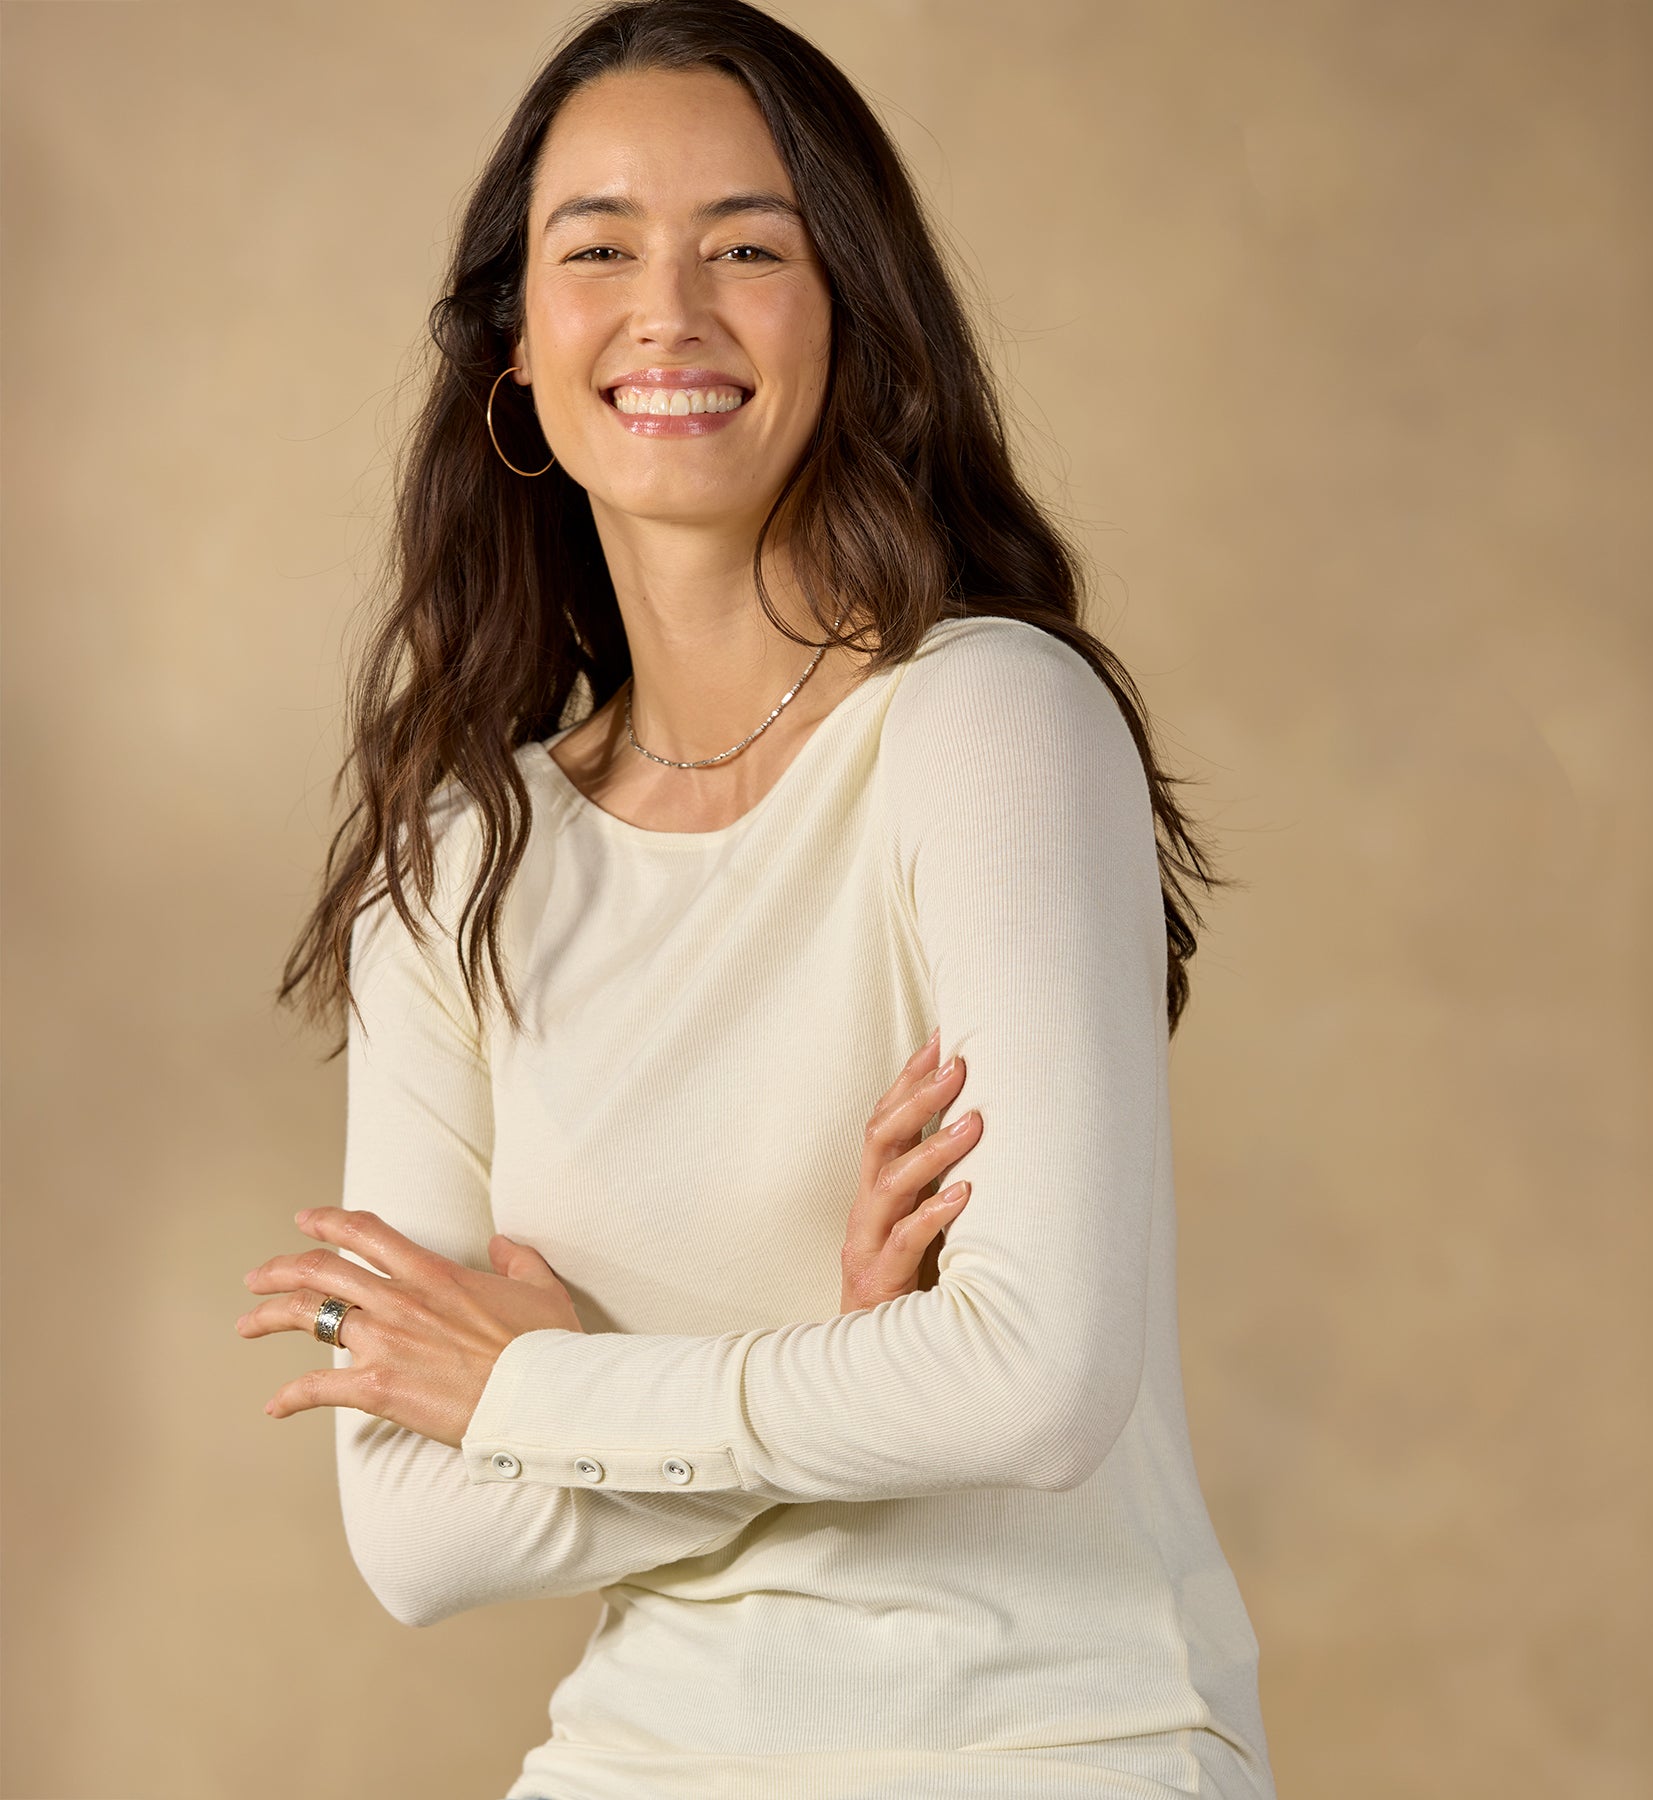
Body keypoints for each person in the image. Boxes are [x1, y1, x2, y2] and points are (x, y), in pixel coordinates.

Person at [244, 2, 1278, 1795]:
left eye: (748, 247)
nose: (669, 311)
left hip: (1048, 1740)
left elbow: (1035, 1389)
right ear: (514, 348)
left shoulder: (988, 720)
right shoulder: (457, 864)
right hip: (637, 1759)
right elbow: (416, 1531)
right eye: (597, 250)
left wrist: (540, 1394)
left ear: (852, 321)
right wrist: (849, 1356)